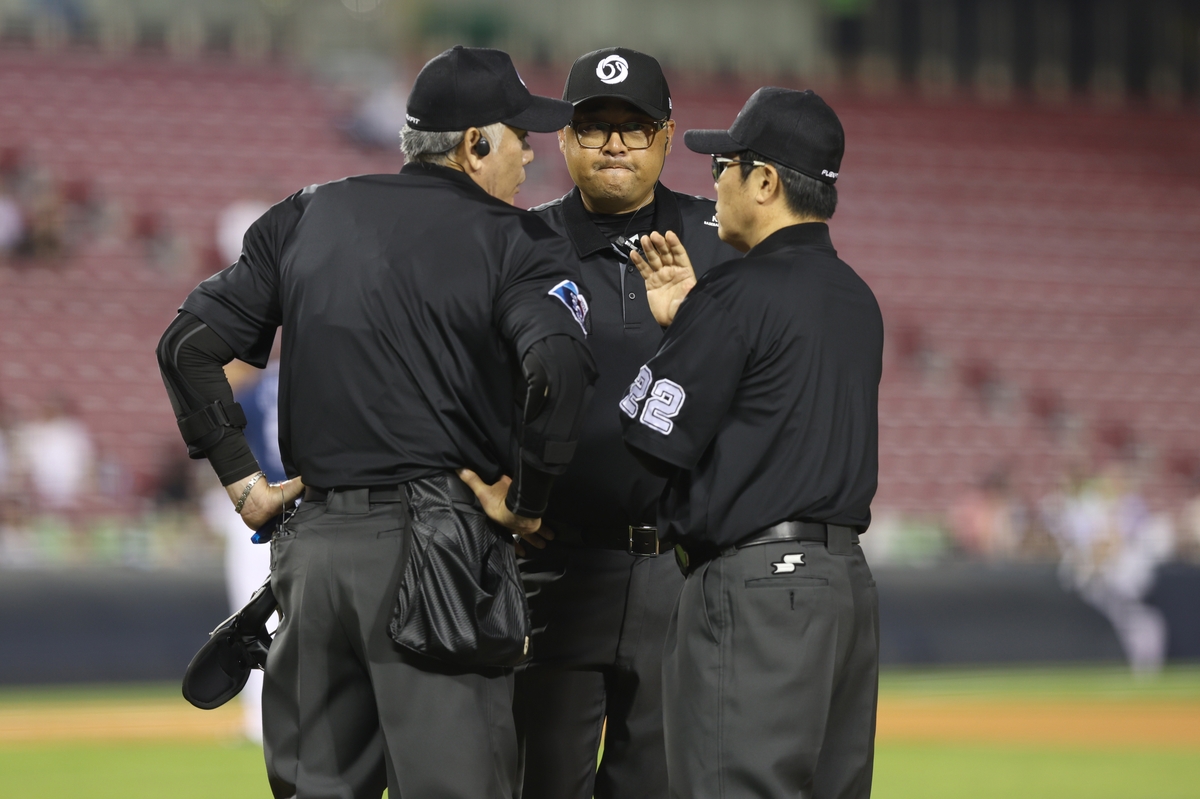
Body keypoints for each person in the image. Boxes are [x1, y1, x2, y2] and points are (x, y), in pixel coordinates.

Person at [156, 45, 597, 799]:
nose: (534, 149)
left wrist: (245, 483)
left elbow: (186, 347)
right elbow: (556, 368)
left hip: (315, 555)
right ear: (475, 143)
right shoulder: (517, 241)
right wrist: (527, 499)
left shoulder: (305, 212)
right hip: (442, 560)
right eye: (521, 132)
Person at [621, 87, 883, 799]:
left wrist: (684, 327)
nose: (714, 183)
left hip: (761, 587)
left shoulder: (735, 295)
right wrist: (696, 325)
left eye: (724, 165)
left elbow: (646, 431)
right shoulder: (857, 298)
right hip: (845, 587)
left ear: (765, 181)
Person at [515, 47, 740, 799]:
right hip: (553, 570)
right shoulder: (518, 244)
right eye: (596, 125)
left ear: (669, 137)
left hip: (676, 572)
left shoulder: (720, 241)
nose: (615, 141)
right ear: (566, 140)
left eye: (635, 126)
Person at [200, 358, 282, 743]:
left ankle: (259, 720)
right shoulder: (313, 380)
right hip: (313, 503)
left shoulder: (252, 391)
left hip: (257, 504)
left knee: (250, 617)